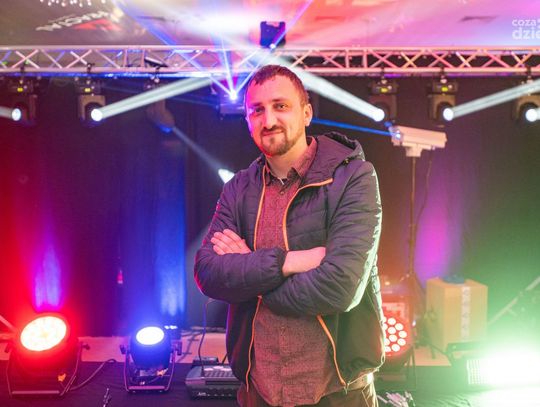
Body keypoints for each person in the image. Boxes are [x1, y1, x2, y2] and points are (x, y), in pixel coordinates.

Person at [194, 65, 384, 407]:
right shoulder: (238, 188)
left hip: (338, 391)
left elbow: (340, 288)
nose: (269, 120)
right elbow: (208, 273)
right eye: (257, 110)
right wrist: (289, 262)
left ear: (306, 113)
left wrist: (251, 275)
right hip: (259, 390)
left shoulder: (354, 177)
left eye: (280, 106)